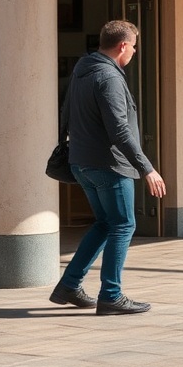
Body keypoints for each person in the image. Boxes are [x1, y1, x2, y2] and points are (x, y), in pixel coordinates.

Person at [50, 20, 166, 316]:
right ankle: (111, 295)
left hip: (82, 162)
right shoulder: (109, 78)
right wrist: (147, 168)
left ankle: (69, 286)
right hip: (108, 165)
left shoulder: (82, 71)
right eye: (134, 46)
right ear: (123, 46)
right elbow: (120, 131)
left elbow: (65, 114)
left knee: (105, 223)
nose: (135, 52)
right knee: (124, 225)